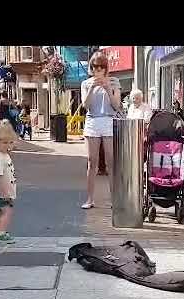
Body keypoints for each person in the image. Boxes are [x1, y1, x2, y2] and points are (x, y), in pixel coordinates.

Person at [80, 50, 121, 209]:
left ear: (105, 68)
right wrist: (92, 88)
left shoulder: (114, 81)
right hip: (92, 122)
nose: (98, 70)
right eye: (95, 67)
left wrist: (107, 89)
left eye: (101, 67)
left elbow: (116, 105)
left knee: (111, 162)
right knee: (92, 162)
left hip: (109, 121)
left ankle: (114, 199)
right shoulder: (86, 83)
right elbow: (85, 105)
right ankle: (90, 199)